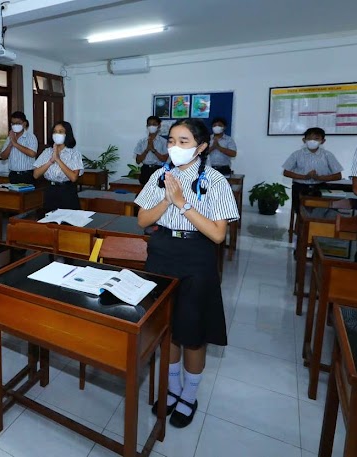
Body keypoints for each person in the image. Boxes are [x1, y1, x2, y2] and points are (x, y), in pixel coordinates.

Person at [134, 118, 239, 428]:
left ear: (201, 147)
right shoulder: (159, 175)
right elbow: (142, 220)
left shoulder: (216, 181)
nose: (174, 147)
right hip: (163, 251)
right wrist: (165, 199)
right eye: (171, 141)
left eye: (183, 142)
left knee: (192, 333)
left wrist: (181, 204)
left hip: (197, 256)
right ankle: (172, 388)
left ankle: (189, 395)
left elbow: (218, 235)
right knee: (167, 327)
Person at [282, 127, 343, 217]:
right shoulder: (297, 154)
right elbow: (286, 172)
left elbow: (338, 175)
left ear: (323, 141)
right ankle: (300, 230)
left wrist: (319, 178)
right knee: (300, 213)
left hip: (320, 187)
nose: (312, 141)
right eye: (309, 138)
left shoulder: (327, 155)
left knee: (320, 213)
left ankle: (316, 229)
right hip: (300, 188)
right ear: (304, 140)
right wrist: (305, 177)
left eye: (316, 138)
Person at [33, 121, 84, 212]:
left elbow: (73, 177)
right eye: (55, 132)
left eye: (60, 132)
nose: (57, 134)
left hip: (67, 192)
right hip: (50, 190)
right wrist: (51, 161)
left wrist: (58, 159)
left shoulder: (74, 153)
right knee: (49, 222)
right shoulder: (47, 152)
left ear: (67, 134)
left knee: (67, 223)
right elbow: (35, 174)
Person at [1, 111, 38, 184]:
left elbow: (32, 153)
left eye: (18, 123)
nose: (15, 125)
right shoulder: (10, 137)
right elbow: (3, 156)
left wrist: (15, 143)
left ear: (24, 124)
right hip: (13, 175)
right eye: (13, 123)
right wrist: (11, 144)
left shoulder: (31, 137)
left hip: (27, 175)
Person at [134, 115, 168, 185]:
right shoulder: (142, 142)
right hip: (145, 170)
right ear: (147, 126)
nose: (151, 126)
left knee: (158, 192)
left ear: (159, 126)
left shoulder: (164, 142)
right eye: (149, 124)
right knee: (144, 192)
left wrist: (153, 150)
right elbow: (138, 161)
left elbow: (164, 159)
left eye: (154, 124)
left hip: (158, 170)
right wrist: (147, 149)